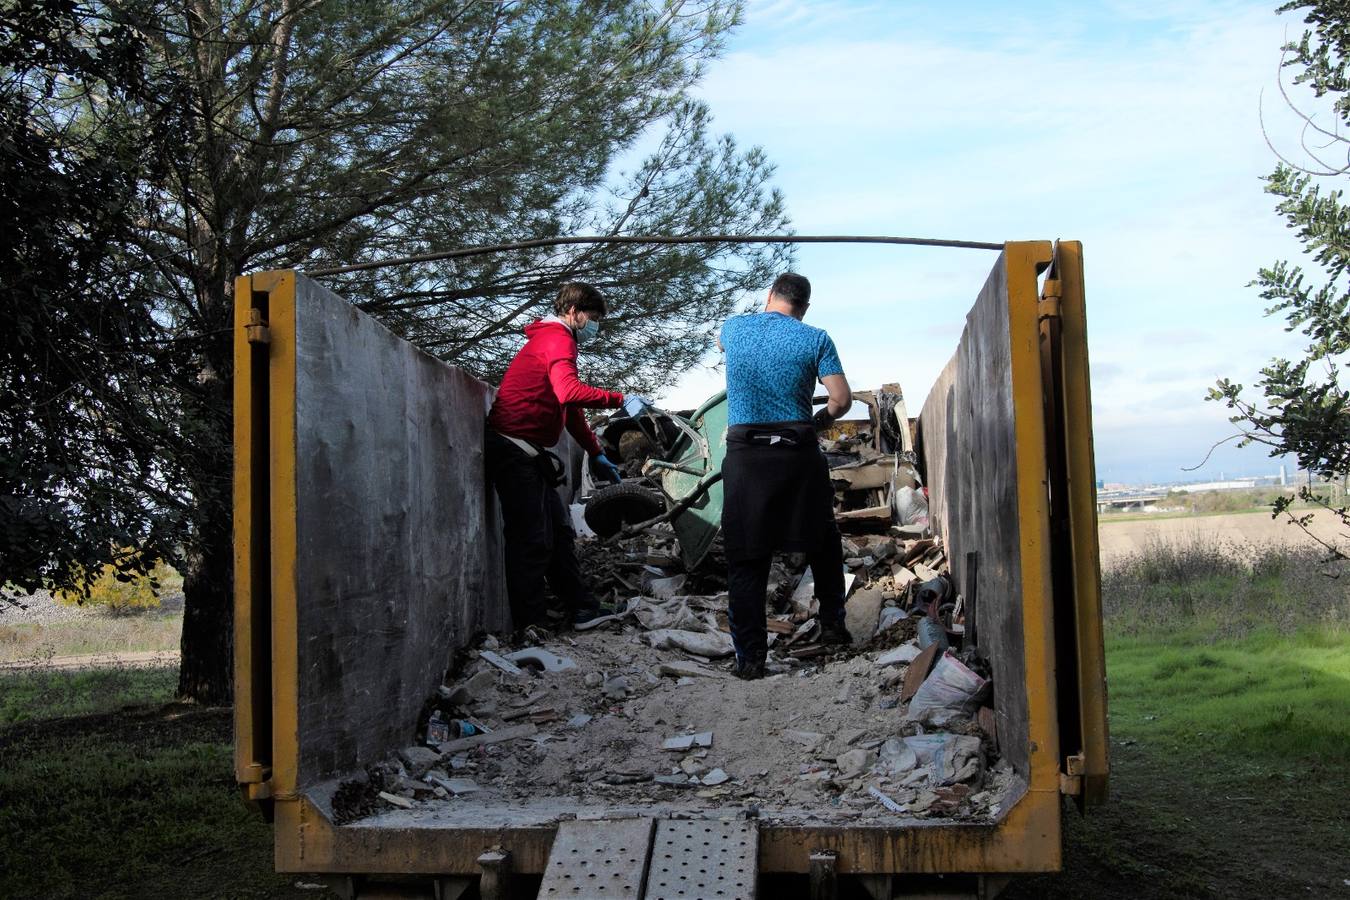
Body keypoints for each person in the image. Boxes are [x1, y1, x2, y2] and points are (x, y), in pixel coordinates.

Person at [485, 282, 645, 631]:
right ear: (573, 312)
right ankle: (530, 627)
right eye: (593, 317)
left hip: (528, 453)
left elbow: (568, 407)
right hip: (512, 448)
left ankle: (583, 609)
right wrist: (620, 399)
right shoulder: (558, 338)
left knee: (559, 533)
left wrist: (595, 452)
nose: (594, 326)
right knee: (531, 540)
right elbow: (569, 390)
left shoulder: (553, 340)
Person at [718, 272, 853, 679]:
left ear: (769, 296)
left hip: (746, 456)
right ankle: (833, 626)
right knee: (823, 543)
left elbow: (725, 347)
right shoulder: (816, 338)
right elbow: (841, 399)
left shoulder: (732, 328)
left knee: (746, 557)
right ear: (804, 307)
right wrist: (822, 418)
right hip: (797, 453)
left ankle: (751, 661)